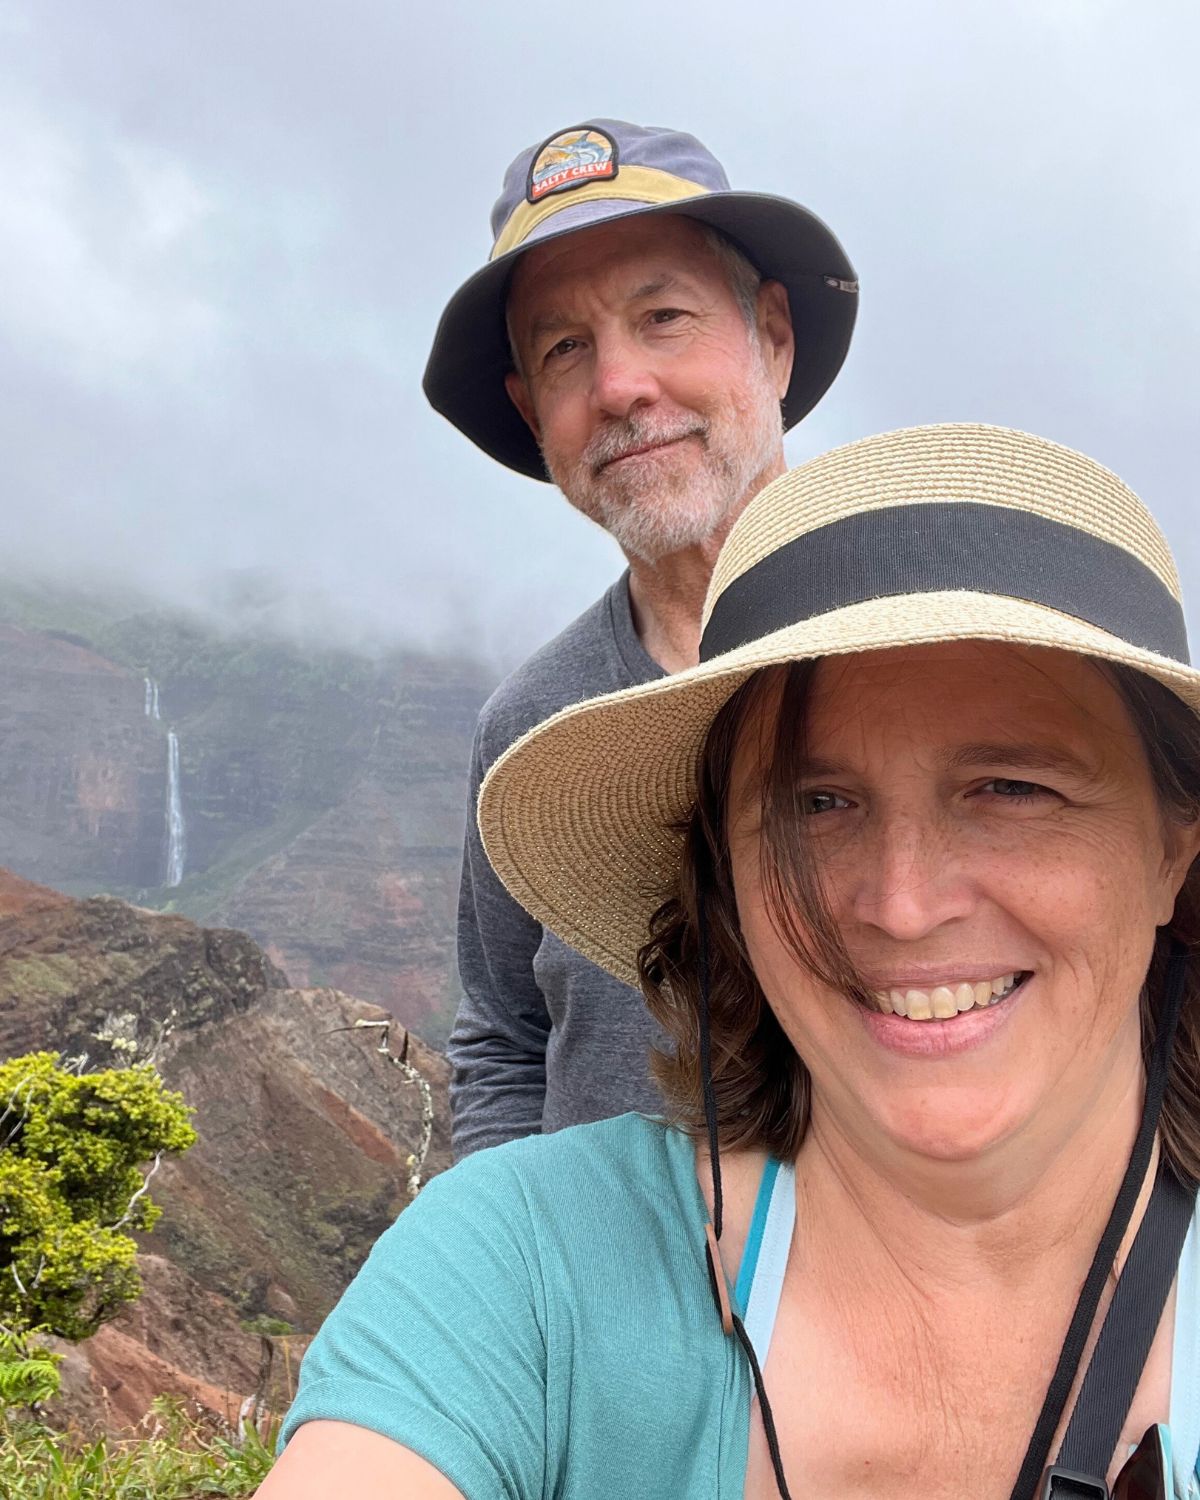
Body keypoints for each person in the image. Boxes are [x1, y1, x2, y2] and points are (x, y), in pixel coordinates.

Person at [261, 423, 1200, 1498]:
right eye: (816, 805)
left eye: (1011, 789)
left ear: (1176, 846)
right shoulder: (523, 1273)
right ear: (725, 874)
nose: (901, 904)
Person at [423, 118, 859, 1156]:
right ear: (534, 411)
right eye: (565, 348)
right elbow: (502, 1041)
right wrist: (513, 1277)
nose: (618, 386)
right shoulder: (531, 725)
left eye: (663, 315)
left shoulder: (927, 643)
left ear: (776, 337)